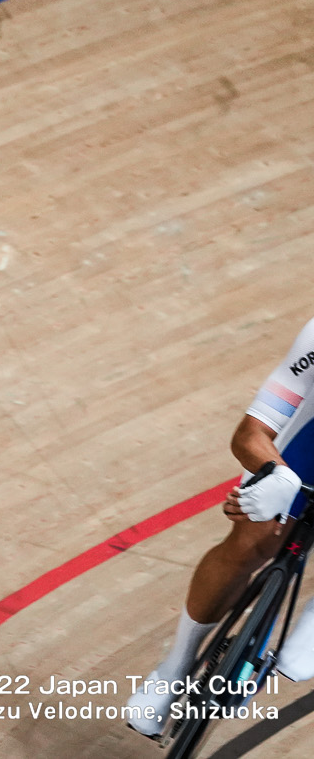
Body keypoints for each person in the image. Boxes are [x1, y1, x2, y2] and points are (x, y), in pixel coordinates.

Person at [126, 312, 314, 736]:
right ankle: (174, 669)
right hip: (308, 447)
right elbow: (251, 433)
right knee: (255, 536)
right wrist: (273, 476)